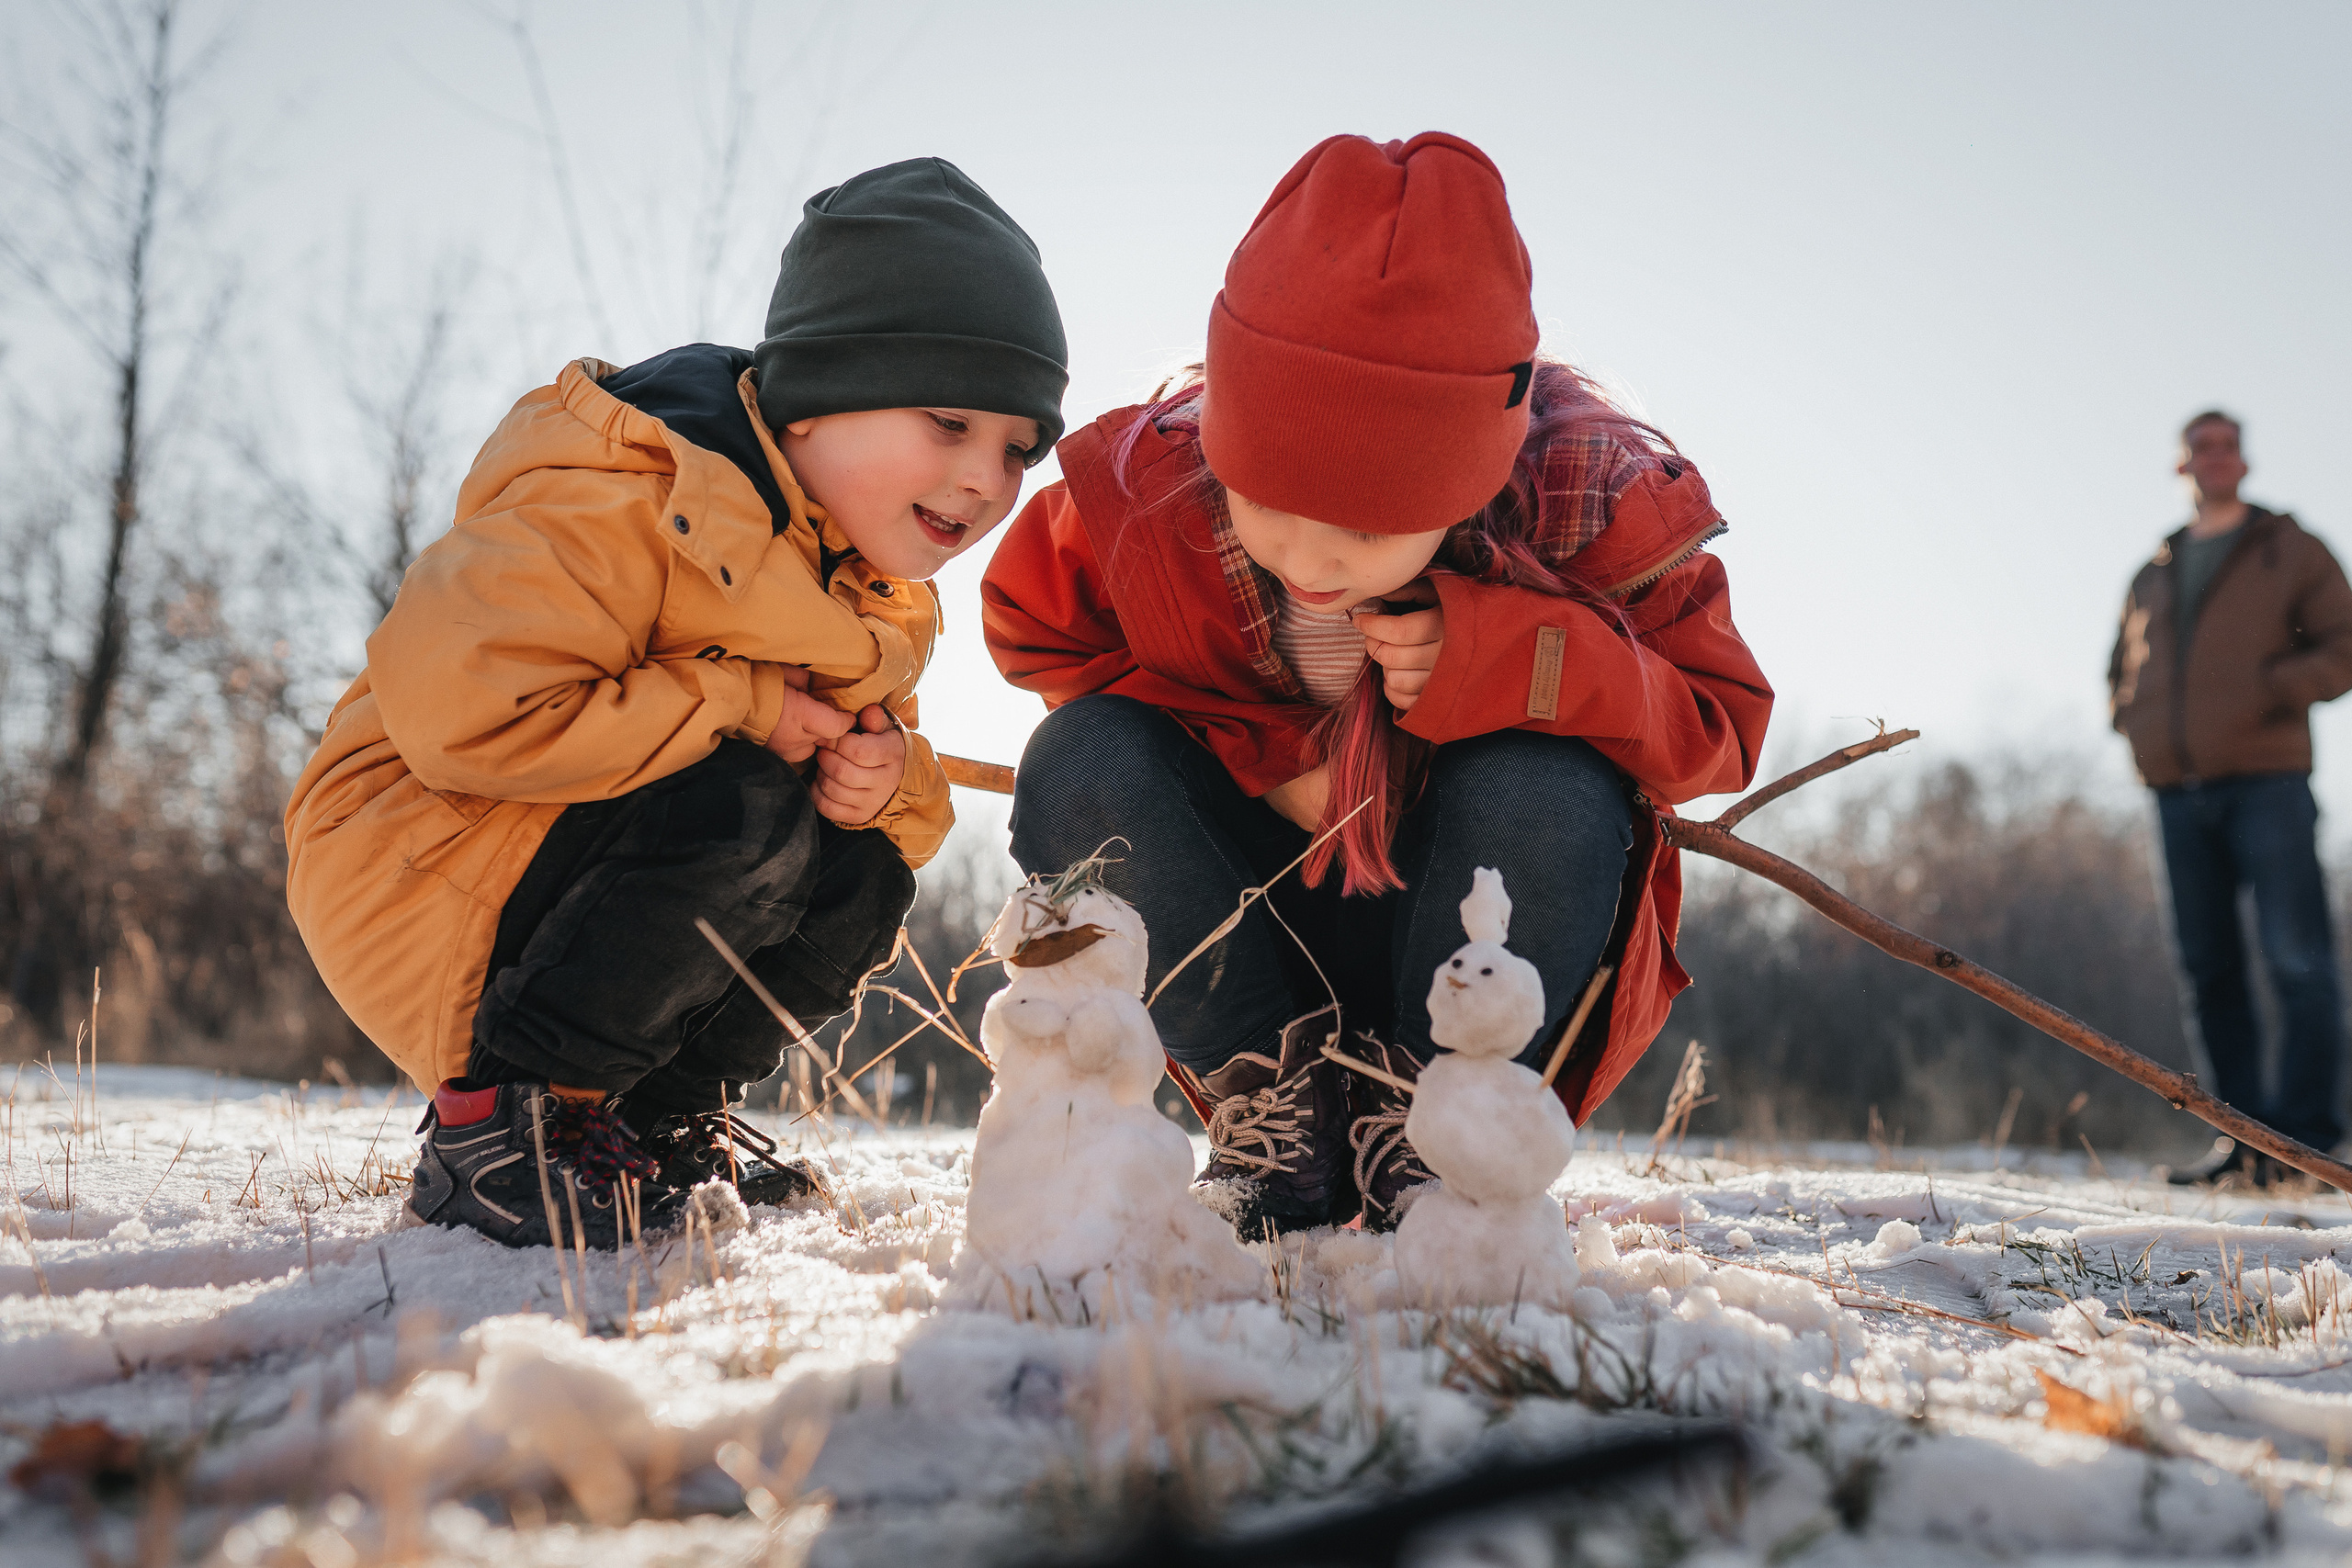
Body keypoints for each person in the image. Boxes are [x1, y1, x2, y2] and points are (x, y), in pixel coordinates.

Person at [981, 132, 1772, 1237]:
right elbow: (1036, 633)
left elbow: (1717, 734)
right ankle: (1273, 1121)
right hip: (1255, 918)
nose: (1309, 559)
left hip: (1478, 926)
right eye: (1263, 499)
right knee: (1081, 757)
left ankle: (1433, 1132)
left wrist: (1517, 659)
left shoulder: (1590, 503)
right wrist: (1270, 763)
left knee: (1549, 780)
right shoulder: (1150, 487)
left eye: (1363, 527)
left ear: (1467, 483)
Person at [285, 159, 1067, 1248]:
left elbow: (890, 804)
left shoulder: (863, 594)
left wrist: (882, 783)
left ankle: (649, 1126)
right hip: (420, 857)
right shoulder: (630, 494)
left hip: (578, 872)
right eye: (948, 423)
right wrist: (744, 703)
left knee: (857, 869)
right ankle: (506, 1134)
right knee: (741, 804)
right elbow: (465, 710)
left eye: (1019, 448)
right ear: (818, 399)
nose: (987, 476)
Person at [2109, 411, 2352, 1187]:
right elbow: (2120, 667)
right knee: (2207, 968)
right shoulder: (2154, 567)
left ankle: (2303, 1145)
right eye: (2200, 447)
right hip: (2176, 791)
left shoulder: (2289, 547)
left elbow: (2344, 644)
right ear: (2182, 464)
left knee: (2297, 960)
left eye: (2227, 445)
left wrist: (2271, 690)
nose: (2214, 457)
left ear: (2243, 461)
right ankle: (2241, 1144)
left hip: (2268, 781)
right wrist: (2134, 721)